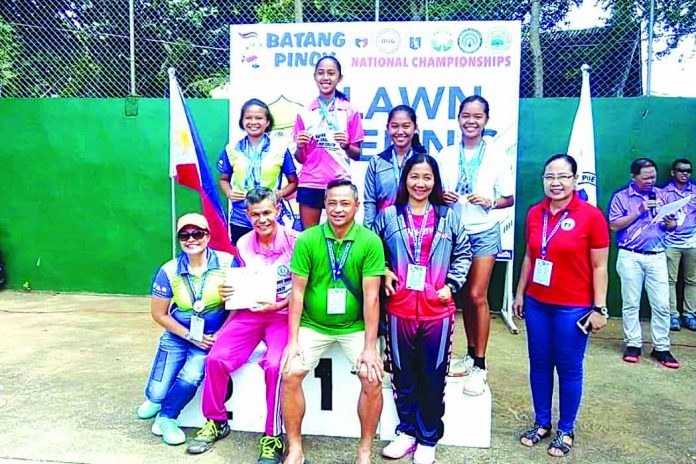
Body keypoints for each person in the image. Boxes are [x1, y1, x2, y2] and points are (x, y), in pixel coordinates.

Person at [186, 188, 298, 463]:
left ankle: (272, 436)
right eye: (255, 214)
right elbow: (239, 281)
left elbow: (304, 287)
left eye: (267, 213)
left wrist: (280, 305)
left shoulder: (297, 241)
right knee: (216, 358)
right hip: (249, 313)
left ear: (278, 211)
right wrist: (229, 292)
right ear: (247, 216)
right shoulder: (244, 243)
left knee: (275, 365)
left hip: (282, 314)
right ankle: (216, 420)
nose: (262, 219)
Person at [373, 154, 472, 464]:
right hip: (399, 309)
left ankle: (428, 438)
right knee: (402, 373)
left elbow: (464, 252)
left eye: (427, 177)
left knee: (432, 374)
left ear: (435, 181)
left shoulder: (448, 216)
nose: (420, 183)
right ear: (405, 179)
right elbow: (374, 252)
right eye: (414, 176)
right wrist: (385, 271)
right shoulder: (388, 216)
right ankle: (406, 432)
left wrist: (451, 285)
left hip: (437, 311)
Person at [281, 179, 385, 464]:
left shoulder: (369, 241)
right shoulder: (308, 239)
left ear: (357, 206)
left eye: (345, 203)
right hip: (314, 325)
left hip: (355, 327)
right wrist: (292, 340)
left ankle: (364, 450)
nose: (338, 209)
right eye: (332, 203)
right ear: (324, 205)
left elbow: (371, 297)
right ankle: (295, 448)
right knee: (289, 374)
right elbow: (298, 292)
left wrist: (370, 346)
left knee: (372, 378)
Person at [512, 154, 609, 457]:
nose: (556, 183)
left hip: (574, 307)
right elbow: (530, 256)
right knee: (539, 365)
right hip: (538, 303)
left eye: (563, 176)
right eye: (550, 176)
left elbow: (600, 267)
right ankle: (542, 423)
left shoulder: (591, 216)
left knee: (568, 368)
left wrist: (600, 308)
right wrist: (519, 293)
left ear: (575, 180)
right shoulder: (534, 213)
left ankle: (566, 429)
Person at [435, 95, 515, 395]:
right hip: (453, 233)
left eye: (477, 116)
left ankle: (480, 365)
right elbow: (433, 192)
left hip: (483, 232)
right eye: (466, 115)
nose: (471, 121)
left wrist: (491, 202)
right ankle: (468, 355)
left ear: (486, 120)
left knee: (477, 294)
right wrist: (442, 198)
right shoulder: (445, 154)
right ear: (458, 118)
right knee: (462, 298)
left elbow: (509, 197)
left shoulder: (495, 154)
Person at [136, 213, 237, 445]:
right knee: (156, 392)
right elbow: (158, 314)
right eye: (185, 235)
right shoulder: (168, 270)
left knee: (191, 375)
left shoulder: (228, 263)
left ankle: (167, 417)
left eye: (197, 233)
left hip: (209, 337)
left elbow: (237, 308)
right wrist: (191, 336)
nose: (191, 239)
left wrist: (221, 334)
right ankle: (157, 399)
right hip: (178, 334)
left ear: (208, 235)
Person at [608, 157, 680, 368]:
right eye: (646, 177)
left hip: (657, 255)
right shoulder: (621, 197)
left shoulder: (663, 196)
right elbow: (614, 225)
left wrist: (670, 223)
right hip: (630, 255)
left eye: (653, 177)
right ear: (634, 177)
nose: (650, 181)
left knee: (662, 304)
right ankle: (632, 344)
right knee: (631, 302)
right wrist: (639, 211)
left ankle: (662, 347)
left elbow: (673, 225)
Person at [293, 56, 365, 229]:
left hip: (339, 181)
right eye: (321, 73)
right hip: (310, 181)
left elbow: (357, 155)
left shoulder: (350, 111)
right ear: (315, 76)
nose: (326, 77)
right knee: (309, 238)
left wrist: (347, 145)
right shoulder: (305, 112)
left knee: (340, 234)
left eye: (331, 73)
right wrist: (300, 146)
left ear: (339, 78)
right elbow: (300, 158)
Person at [217, 98, 298, 244]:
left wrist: (278, 194)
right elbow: (223, 179)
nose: (253, 122)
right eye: (248, 118)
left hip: (269, 216)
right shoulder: (231, 149)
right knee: (242, 258)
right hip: (241, 216)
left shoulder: (280, 148)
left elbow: (293, 182)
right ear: (242, 121)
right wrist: (229, 192)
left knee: (274, 256)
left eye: (259, 118)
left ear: (267, 122)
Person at [363, 105, 426, 229]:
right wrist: (369, 233)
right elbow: (370, 202)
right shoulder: (377, 162)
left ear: (415, 129)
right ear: (387, 129)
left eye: (406, 126)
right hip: (383, 228)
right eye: (395, 126)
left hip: (417, 230)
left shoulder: (424, 162)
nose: (400, 131)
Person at [662, 158, 696, 331]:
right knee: (669, 280)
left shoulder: (695, 192)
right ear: (672, 172)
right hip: (670, 243)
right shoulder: (663, 193)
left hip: (692, 242)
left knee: (693, 280)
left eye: (688, 171)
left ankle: (689, 315)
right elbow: (659, 218)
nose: (685, 173)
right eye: (681, 170)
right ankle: (672, 315)